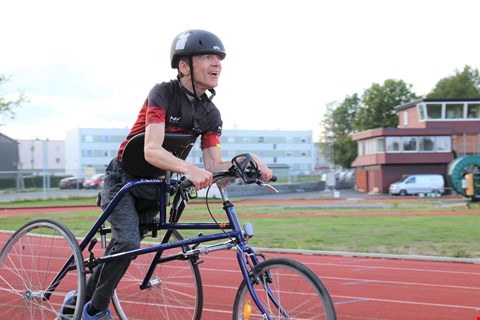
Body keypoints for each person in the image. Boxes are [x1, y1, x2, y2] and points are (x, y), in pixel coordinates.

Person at [60, 29, 273, 320]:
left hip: (156, 188)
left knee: (124, 248)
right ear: (184, 66)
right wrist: (188, 168)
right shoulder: (162, 94)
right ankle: (93, 312)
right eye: (208, 57)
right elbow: (151, 150)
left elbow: (213, 165)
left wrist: (247, 161)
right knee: (128, 243)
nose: (217, 64)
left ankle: (78, 300)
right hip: (123, 179)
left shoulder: (211, 114)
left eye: (219, 58)